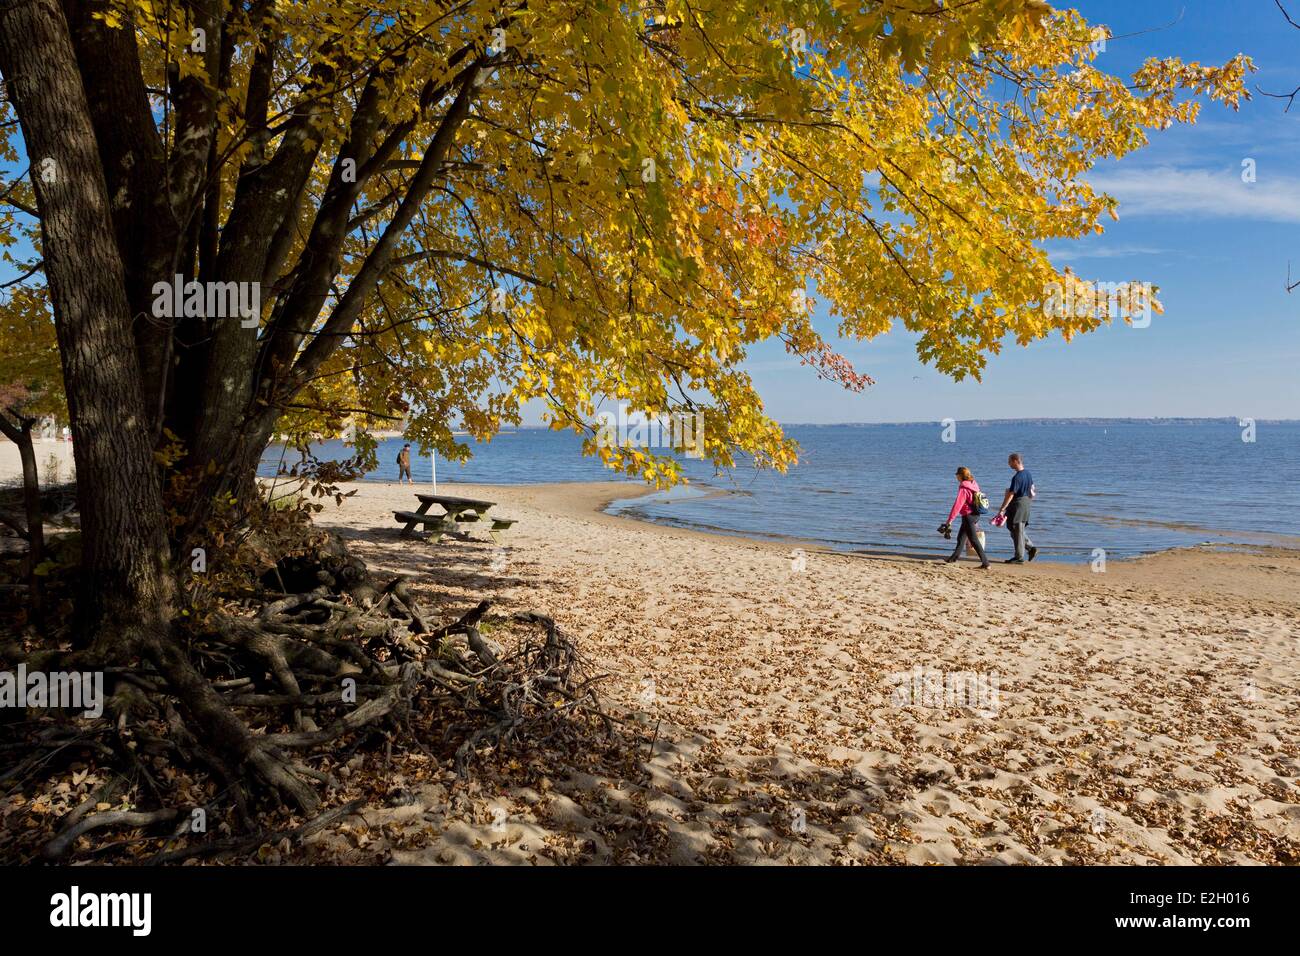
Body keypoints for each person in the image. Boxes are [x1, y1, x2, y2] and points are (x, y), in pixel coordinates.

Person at [941, 466, 990, 569]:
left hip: (968, 516)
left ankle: (986, 563)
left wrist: (949, 521)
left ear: (960, 476)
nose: (956, 477)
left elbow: (957, 505)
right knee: (961, 538)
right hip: (976, 514)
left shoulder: (963, 488)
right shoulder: (974, 484)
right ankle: (952, 559)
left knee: (974, 540)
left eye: (957, 475)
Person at [996, 452, 1038, 563]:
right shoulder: (1028, 473)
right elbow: (1033, 489)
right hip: (1026, 502)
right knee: (1014, 529)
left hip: (1018, 504)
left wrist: (1002, 508)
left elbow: (1011, 494)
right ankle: (1030, 548)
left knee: (1017, 530)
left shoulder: (1017, 477)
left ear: (1015, 461)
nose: (1008, 464)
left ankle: (1019, 557)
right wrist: (1028, 500)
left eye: (1009, 461)